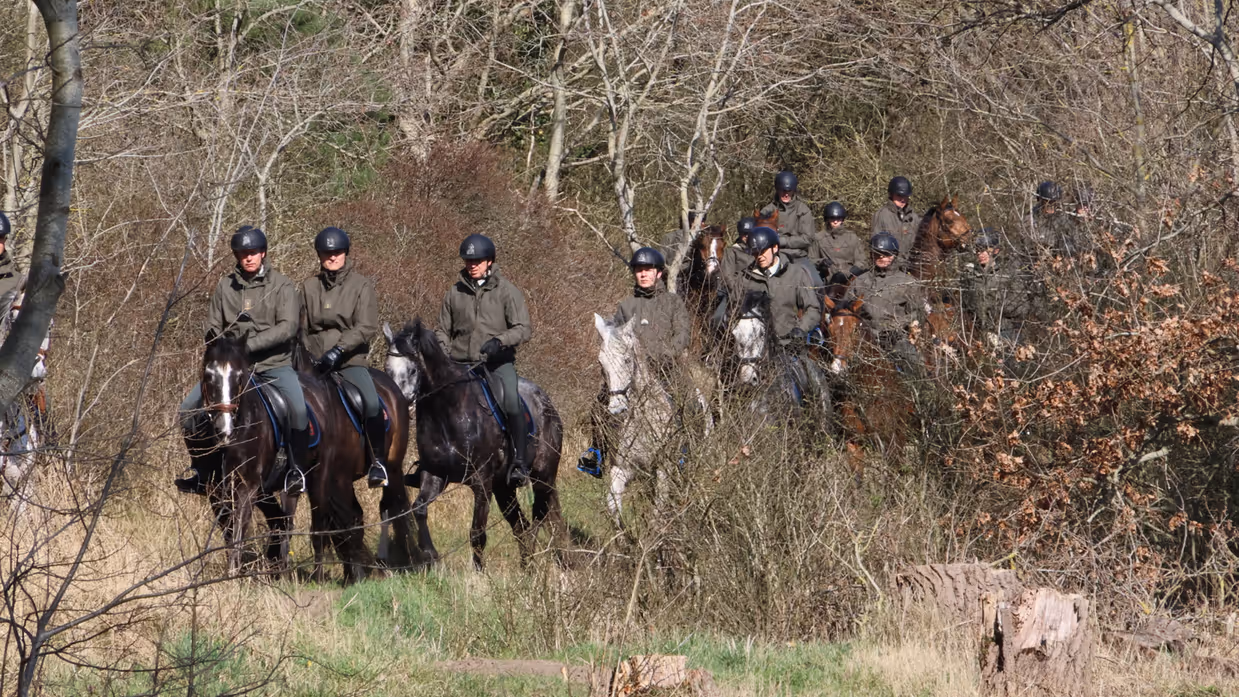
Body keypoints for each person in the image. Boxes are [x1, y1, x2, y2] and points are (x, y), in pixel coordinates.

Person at [176, 226, 309, 495]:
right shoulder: (225, 286)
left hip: (273, 365)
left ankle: (295, 471)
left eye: (252, 253)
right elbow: (212, 326)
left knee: (298, 410)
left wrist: (247, 346)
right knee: (188, 410)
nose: (248, 258)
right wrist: (219, 344)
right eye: (242, 254)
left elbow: (287, 327)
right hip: (232, 370)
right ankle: (201, 471)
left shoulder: (282, 285)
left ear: (263, 253)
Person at [578, 247, 691, 477]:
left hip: (665, 369)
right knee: (599, 406)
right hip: (630, 371)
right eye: (639, 270)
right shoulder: (626, 306)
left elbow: (682, 335)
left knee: (688, 401)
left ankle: (686, 453)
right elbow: (615, 338)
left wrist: (664, 354)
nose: (643, 274)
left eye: (648, 269)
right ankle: (597, 455)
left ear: (659, 273)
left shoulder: (672, 302)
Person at [436, 233, 533, 486]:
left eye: (477, 260)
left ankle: (520, 462)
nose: (472, 264)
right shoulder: (453, 293)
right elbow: (442, 330)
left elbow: (523, 328)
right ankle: (431, 461)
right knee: (432, 402)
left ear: (489, 261)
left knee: (511, 401)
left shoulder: (507, 291)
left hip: (496, 364)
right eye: (468, 260)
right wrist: (443, 350)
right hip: (460, 364)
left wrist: (499, 341)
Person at [301, 226, 388, 488]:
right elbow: (300, 327)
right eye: (327, 253)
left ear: (345, 254)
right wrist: (308, 354)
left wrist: (338, 350)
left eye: (337, 252)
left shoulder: (361, 285)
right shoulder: (308, 287)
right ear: (319, 255)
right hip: (314, 364)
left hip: (349, 362)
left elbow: (366, 326)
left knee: (371, 403)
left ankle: (378, 463)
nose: (332, 257)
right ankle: (291, 463)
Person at [713, 227, 820, 347]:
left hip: (788, 343)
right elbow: (733, 309)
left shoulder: (796, 273)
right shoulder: (744, 278)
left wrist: (801, 329)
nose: (759, 256)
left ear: (775, 248)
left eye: (762, 251)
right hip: (752, 349)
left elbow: (813, 308)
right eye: (754, 253)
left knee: (806, 365)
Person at [848, 232, 924, 370]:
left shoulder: (907, 282)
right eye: (878, 254)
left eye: (886, 254)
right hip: (864, 339)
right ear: (871, 254)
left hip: (895, 339)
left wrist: (897, 327)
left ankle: (924, 389)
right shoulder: (859, 281)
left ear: (894, 255)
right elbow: (846, 310)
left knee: (916, 364)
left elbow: (917, 312)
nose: (881, 257)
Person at [961, 229, 1037, 347]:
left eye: (984, 250)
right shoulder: (970, 275)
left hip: (1005, 331)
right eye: (977, 250)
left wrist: (995, 306)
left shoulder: (1008, 274)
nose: (980, 254)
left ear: (996, 251)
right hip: (977, 332)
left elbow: (1022, 307)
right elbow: (964, 304)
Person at [757, 171, 817, 265]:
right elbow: (760, 237)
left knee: (815, 279)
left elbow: (808, 238)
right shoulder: (767, 211)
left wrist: (784, 241)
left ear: (793, 191)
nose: (786, 194)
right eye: (783, 190)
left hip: (798, 257)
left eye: (789, 191)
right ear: (777, 190)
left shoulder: (803, 210)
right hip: (774, 256)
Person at [870, 176, 921, 271]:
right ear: (891, 194)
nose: (902, 199)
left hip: (910, 269)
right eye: (899, 196)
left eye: (905, 196)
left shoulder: (914, 218)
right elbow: (876, 246)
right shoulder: (881, 215)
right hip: (889, 269)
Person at [1029, 180, 1078, 255]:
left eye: (1054, 202)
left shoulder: (1063, 218)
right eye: (1047, 202)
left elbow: (1074, 240)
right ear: (1041, 201)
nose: (1051, 205)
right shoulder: (1031, 220)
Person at [817, 201, 865, 274]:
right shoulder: (819, 238)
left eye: (838, 218)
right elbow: (811, 260)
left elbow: (861, 260)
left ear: (842, 219)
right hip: (828, 277)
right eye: (832, 218)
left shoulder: (852, 237)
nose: (835, 222)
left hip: (850, 277)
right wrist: (821, 262)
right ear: (827, 219)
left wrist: (852, 272)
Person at [719, 216, 756, 284]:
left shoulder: (761, 251)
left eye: (749, 233)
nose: (747, 236)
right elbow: (728, 277)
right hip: (741, 289)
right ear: (740, 234)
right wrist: (738, 292)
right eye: (744, 233)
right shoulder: (732, 251)